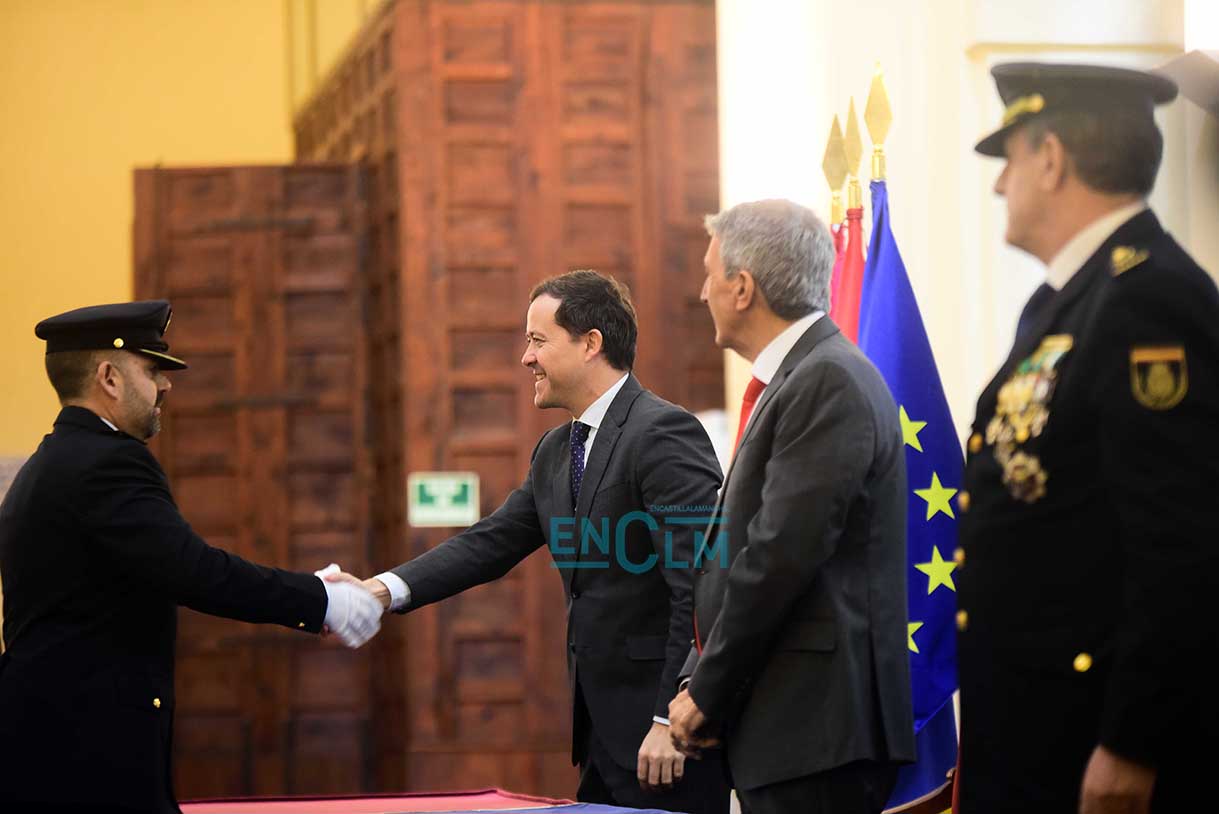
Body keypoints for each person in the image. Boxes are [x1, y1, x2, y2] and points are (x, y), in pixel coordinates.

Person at [348, 270, 730, 813]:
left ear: (591, 343)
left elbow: (700, 587)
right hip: (600, 743)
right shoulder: (555, 450)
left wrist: (670, 717)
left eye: (537, 340)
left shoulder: (663, 433)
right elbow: (489, 543)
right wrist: (382, 590)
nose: (526, 357)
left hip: (665, 741)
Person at [956, 62, 1219, 814]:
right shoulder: (1066, 301)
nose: (999, 184)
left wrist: (1133, 743)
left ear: (1050, 158)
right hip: (1034, 723)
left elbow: (1180, 546)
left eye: (1009, 159)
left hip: (1088, 739)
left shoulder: (1146, 298)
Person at [0, 300, 383, 814]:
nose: (166, 386)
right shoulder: (107, 463)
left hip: (53, 747)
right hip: (85, 759)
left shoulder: (50, 463)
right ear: (109, 377)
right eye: (152, 370)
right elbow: (194, 570)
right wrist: (322, 601)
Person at [668, 199, 916, 814]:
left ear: (743, 287)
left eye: (709, 274)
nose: (702, 292)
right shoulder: (799, 378)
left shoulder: (826, 379)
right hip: (791, 728)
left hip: (818, 732)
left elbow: (779, 555)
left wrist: (708, 690)